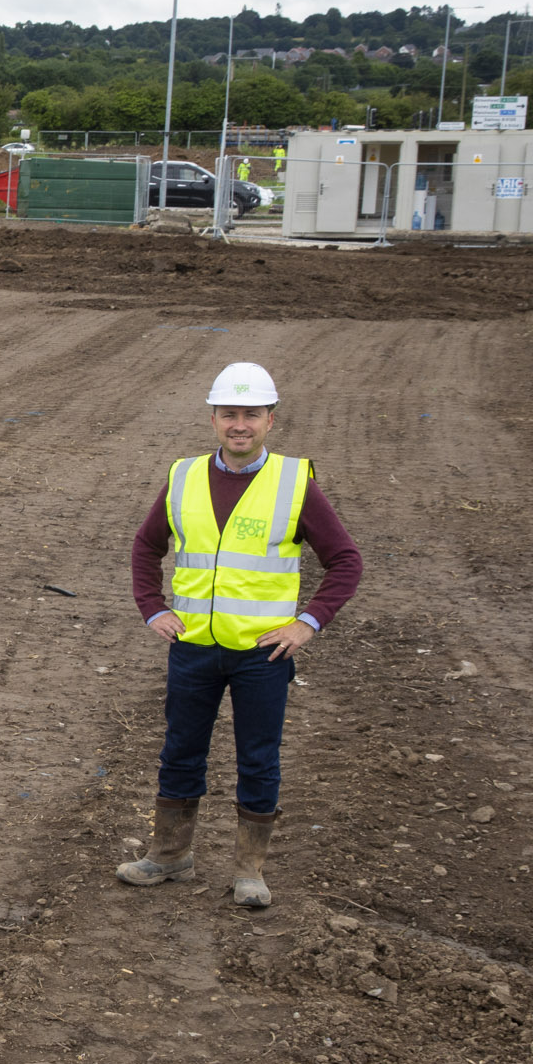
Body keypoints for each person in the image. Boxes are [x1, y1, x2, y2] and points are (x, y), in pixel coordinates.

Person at [121, 361, 363, 907]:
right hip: (193, 647)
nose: (240, 424)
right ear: (213, 419)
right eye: (230, 414)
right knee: (180, 750)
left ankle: (249, 870)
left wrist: (307, 622)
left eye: (251, 414)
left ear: (270, 421)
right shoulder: (183, 477)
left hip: (262, 653)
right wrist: (151, 606)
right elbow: (146, 545)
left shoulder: (295, 482)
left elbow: (345, 560)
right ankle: (170, 856)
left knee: (259, 757)